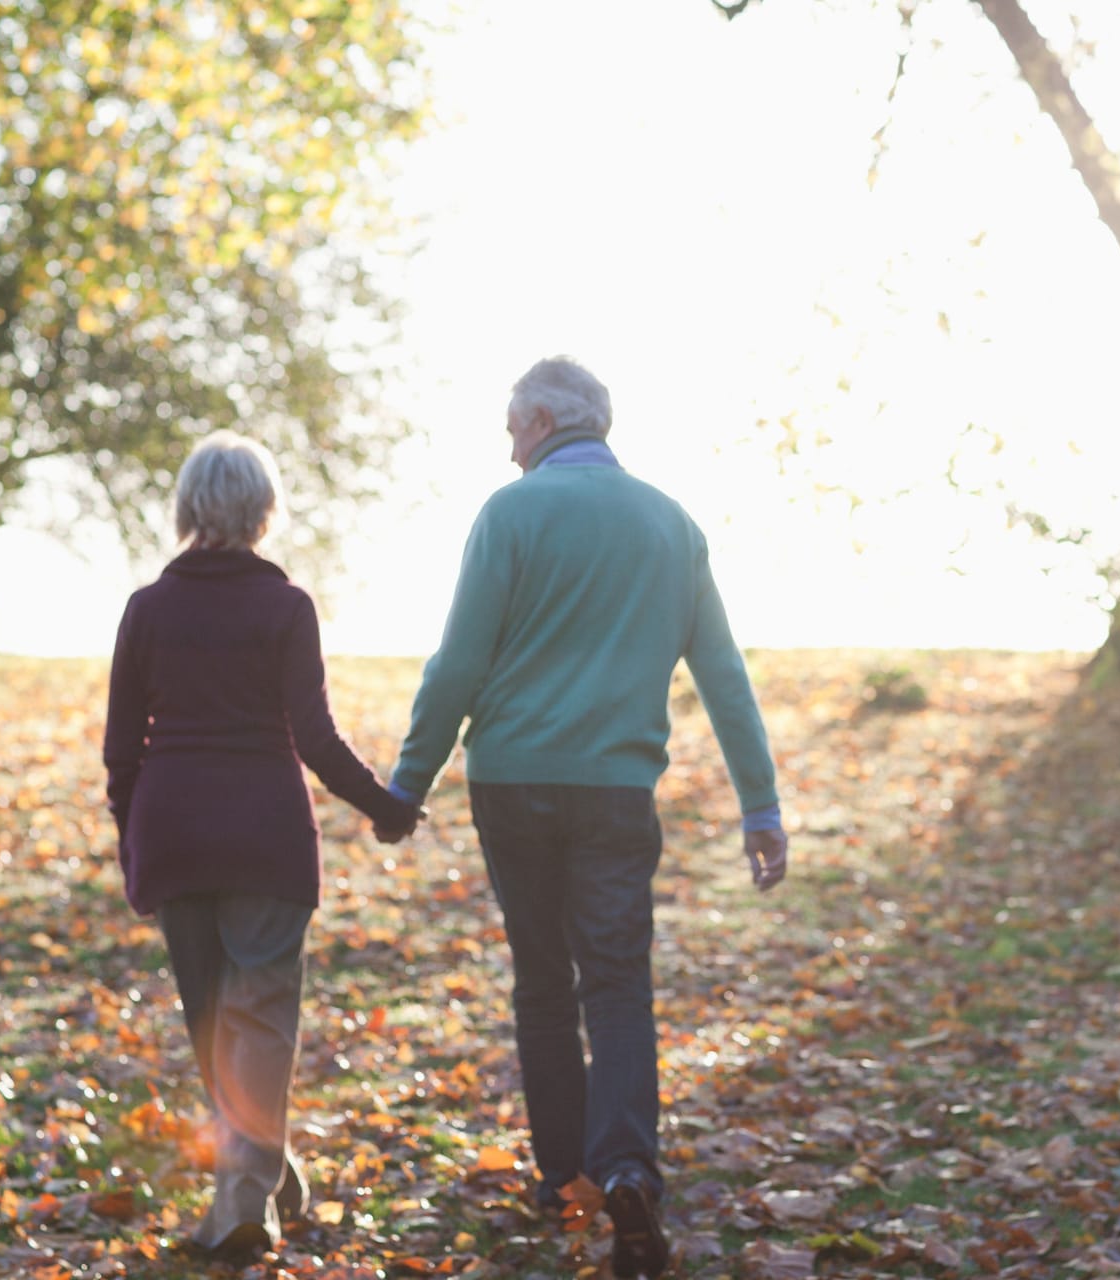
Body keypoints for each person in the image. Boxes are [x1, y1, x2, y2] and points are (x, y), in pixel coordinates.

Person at [387, 357, 788, 1279]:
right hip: (616, 791)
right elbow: (723, 677)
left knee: (541, 979)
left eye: (508, 427)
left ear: (535, 421)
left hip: (513, 784)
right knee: (616, 984)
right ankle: (625, 1170)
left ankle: (561, 1169)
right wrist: (758, 803)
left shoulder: (510, 513)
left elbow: (457, 666)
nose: (507, 445)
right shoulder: (671, 525)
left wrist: (410, 784)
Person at [103, 430, 422, 1260]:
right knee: (259, 1021)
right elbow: (313, 736)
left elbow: (121, 752)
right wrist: (383, 806)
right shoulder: (285, 608)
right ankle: (252, 1193)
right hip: (266, 837)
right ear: (263, 511)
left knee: (214, 1022)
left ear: (186, 509)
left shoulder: (147, 609)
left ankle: (259, 1187)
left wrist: (134, 840)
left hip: (174, 833)